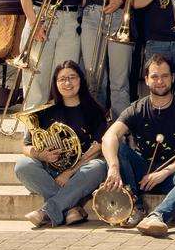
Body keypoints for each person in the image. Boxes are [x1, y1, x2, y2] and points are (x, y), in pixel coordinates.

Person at [97, 53, 175, 237]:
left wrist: (165, 172)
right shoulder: (137, 108)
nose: (160, 81)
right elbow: (109, 136)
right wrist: (113, 168)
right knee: (119, 149)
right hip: (142, 173)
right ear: (146, 80)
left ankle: (157, 216)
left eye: (164, 76)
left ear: (173, 78)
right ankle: (135, 208)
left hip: (171, 173)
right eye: (154, 76)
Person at [12, 59, 109, 228]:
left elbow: (98, 148)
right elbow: (25, 146)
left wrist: (70, 172)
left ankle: (47, 212)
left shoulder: (95, 111)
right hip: (51, 169)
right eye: (62, 79)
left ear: (81, 80)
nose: (67, 83)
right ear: (55, 83)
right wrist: (40, 155)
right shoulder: (45, 111)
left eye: (72, 77)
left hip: (80, 169)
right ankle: (72, 208)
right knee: (22, 165)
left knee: (98, 167)